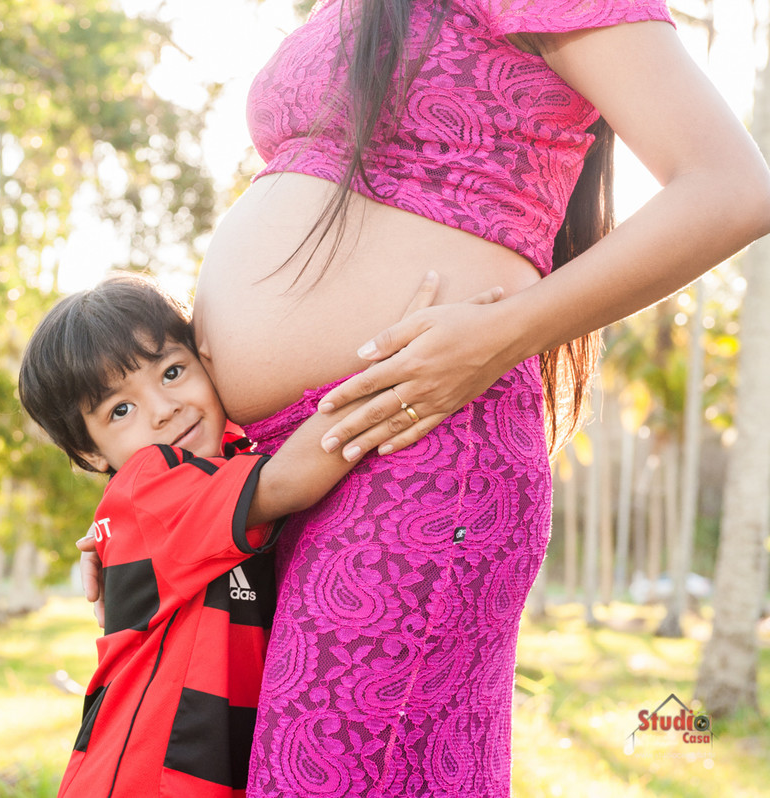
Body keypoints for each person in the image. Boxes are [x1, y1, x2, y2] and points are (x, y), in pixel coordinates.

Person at [170, 0, 770, 795]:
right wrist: (158, 503)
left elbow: (730, 187)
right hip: (265, 475)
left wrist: (500, 336)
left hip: (417, 445)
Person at [24, 272, 500, 797]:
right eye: (121, 410)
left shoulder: (227, 460)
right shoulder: (148, 485)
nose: (164, 409)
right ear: (89, 452)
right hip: (146, 775)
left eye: (173, 372)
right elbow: (288, 481)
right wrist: (400, 365)